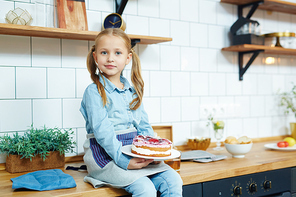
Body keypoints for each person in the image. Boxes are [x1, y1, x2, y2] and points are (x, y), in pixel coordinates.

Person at [80, 28, 183, 197]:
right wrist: (123, 160)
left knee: (174, 181)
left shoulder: (132, 91)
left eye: (117, 53)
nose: (110, 58)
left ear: (128, 58)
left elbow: (143, 126)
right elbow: (103, 133)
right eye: (104, 52)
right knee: (145, 188)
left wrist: (153, 154)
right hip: (106, 156)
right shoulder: (93, 91)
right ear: (95, 57)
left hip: (133, 151)